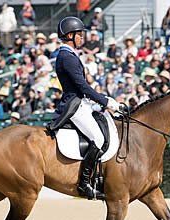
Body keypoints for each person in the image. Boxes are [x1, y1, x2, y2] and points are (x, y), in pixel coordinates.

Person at [48, 16, 120, 200]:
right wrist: (106, 101)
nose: (83, 38)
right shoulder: (66, 57)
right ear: (70, 35)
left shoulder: (70, 55)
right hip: (75, 105)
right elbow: (82, 87)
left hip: (82, 102)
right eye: (80, 35)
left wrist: (100, 103)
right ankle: (85, 183)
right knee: (97, 138)